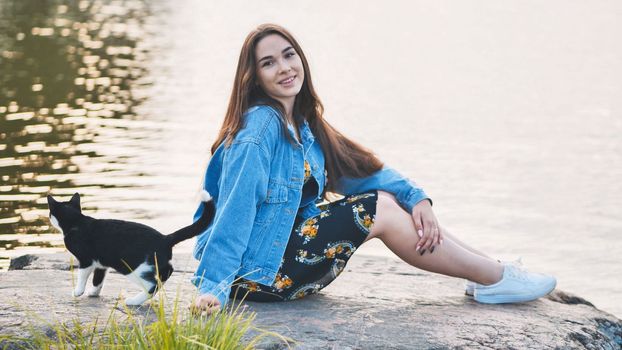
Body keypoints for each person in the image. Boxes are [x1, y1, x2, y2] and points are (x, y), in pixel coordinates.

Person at [189, 24, 556, 314]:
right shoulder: (259, 131)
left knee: (383, 197)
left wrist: (417, 198)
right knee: (375, 208)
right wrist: (213, 289)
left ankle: (490, 272)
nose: (284, 67)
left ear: (302, 59)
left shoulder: (302, 123)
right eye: (269, 62)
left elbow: (360, 171)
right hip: (255, 277)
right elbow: (235, 212)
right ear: (253, 77)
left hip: (277, 262)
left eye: (289, 55)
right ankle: (495, 278)